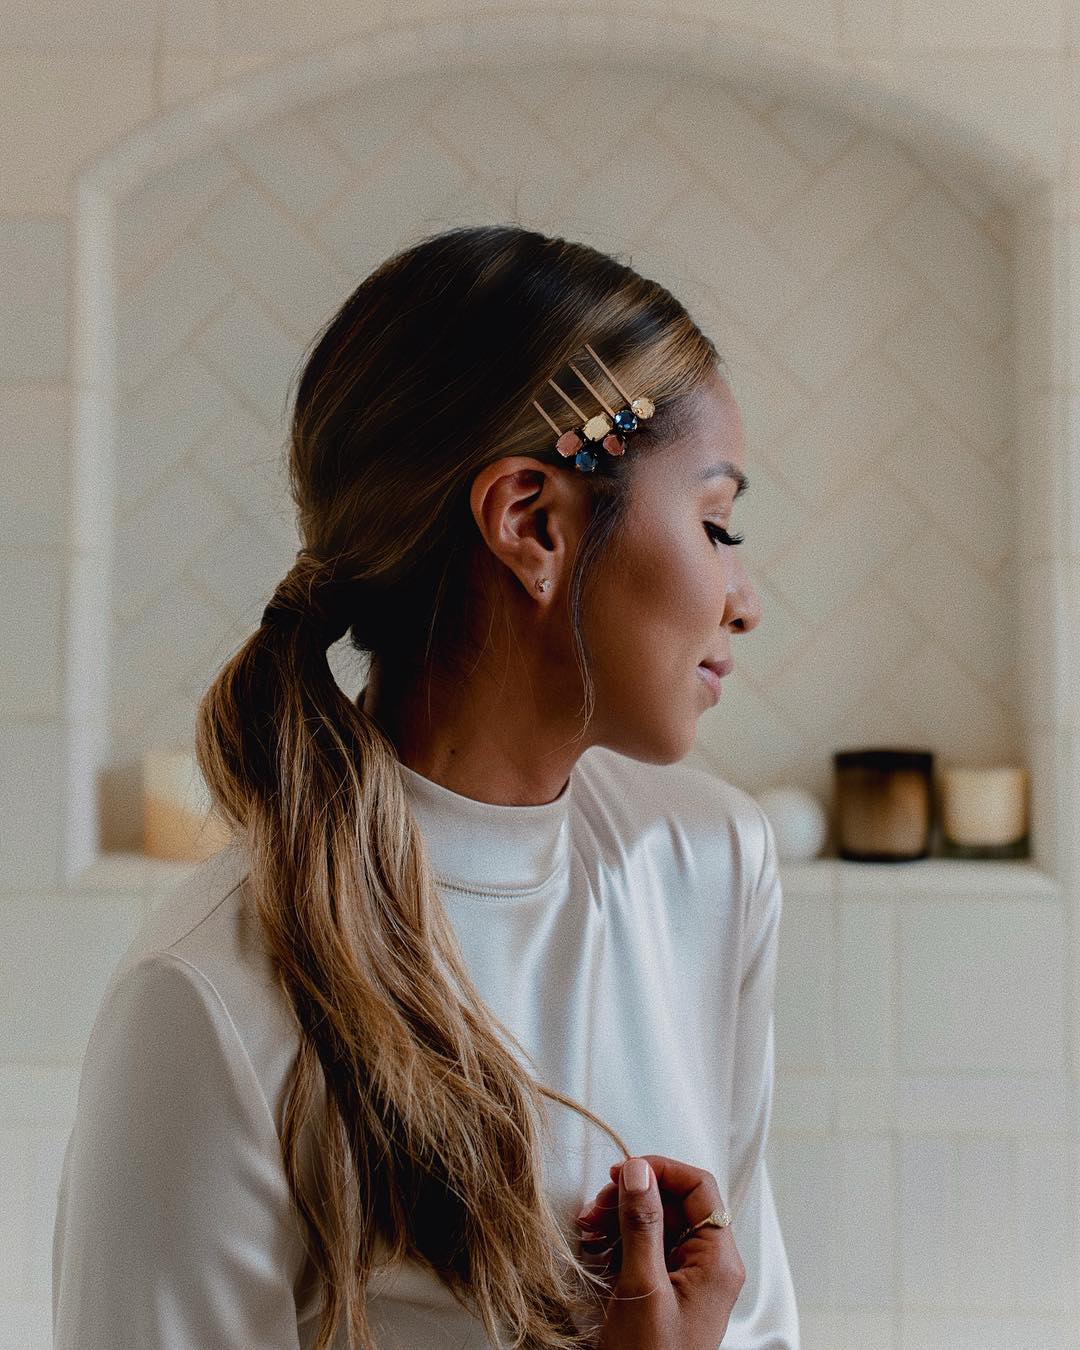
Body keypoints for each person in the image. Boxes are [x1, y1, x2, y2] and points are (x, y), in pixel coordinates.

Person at [51, 223, 799, 1349]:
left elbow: (761, 1323)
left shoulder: (711, 863)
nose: (742, 597)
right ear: (531, 523)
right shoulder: (211, 1000)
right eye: (715, 521)